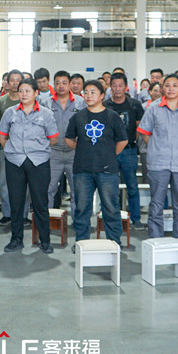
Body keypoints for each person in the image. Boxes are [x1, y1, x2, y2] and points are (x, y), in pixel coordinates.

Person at [137, 74, 178, 243]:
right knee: (156, 203)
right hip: (158, 163)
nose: (171, 88)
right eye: (167, 85)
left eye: (175, 85)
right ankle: (156, 241)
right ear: (162, 88)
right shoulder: (153, 108)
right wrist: (157, 146)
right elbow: (144, 133)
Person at [0, 78, 58, 253]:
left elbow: (53, 138)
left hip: (38, 162)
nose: (23, 94)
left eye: (27, 91)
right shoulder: (10, 112)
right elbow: (2, 135)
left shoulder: (46, 114)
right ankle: (16, 239)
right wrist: (11, 151)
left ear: (35, 93)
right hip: (15, 162)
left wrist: (38, 149)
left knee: (40, 202)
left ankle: (45, 240)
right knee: (16, 202)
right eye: (21, 91)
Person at [65, 80, 127, 248]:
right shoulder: (78, 117)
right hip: (82, 169)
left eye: (93, 92)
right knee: (82, 208)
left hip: (107, 170)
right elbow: (69, 139)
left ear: (102, 96)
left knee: (110, 208)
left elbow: (123, 140)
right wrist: (84, 148)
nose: (88, 95)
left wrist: (108, 153)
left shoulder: (112, 116)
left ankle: (114, 242)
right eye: (86, 92)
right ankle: (81, 242)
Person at [104, 72, 146, 229]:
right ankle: (111, 218)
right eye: (114, 86)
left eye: (120, 85)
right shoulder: (105, 105)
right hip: (110, 152)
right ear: (110, 87)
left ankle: (136, 219)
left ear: (126, 87)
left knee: (132, 186)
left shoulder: (134, 105)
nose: (117, 89)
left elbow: (139, 127)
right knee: (110, 186)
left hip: (129, 151)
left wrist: (130, 141)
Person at [42, 71, 85, 214]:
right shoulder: (46, 103)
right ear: (53, 84)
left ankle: (78, 221)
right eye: (58, 83)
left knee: (77, 190)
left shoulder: (80, 102)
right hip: (53, 152)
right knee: (48, 189)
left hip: (74, 153)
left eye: (64, 83)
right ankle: (47, 220)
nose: (61, 86)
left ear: (70, 84)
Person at [0, 69, 26, 226]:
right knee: (4, 183)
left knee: (25, 183)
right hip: (5, 148)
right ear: (7, 82)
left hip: (26, 150)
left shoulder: (27, 100)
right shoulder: (0, 102)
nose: (15, 83)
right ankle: (7, 214)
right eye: (12, 80)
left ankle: (23, 215)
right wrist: (4, 146)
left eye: (18, 80)